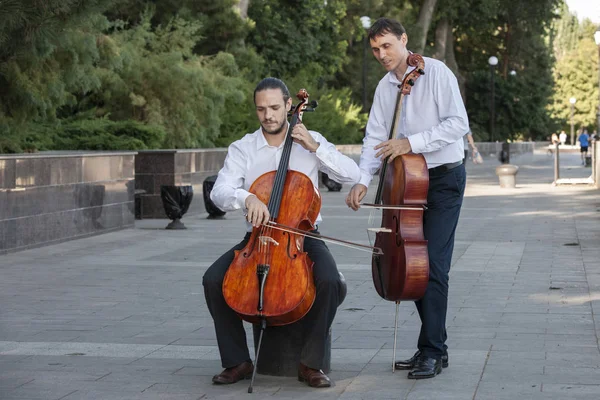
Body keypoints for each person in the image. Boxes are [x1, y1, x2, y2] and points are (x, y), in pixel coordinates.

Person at [204, 77, 360, 388]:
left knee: (329, 281)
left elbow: (352, 174)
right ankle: (238, 361)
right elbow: (218, 192)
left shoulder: (311, 139)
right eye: (261, 109)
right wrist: (246, 197)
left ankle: (310, 363)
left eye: (275, 107)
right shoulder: (243, 148)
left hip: (303, 236)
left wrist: (315, 148)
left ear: (289, 106)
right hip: (258, 237)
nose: (269, 115)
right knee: (212, 280)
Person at [346, 18, 468, 380]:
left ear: (403, 40)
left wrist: (410, 143)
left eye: (387, 46)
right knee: (411, 262)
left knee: (433, 267)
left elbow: (457, 123)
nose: (382, 54)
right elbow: (374, 137)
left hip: (444, 178)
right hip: (408, 183)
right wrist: (362, 178)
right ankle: (435, 348)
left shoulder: (437, 72)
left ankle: (430, 350)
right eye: (375, 50)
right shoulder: (386, 88)